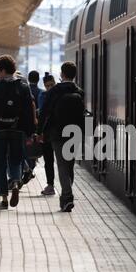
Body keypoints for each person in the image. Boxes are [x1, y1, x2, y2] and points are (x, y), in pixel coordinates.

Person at [0, 55, 35, 210]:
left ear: (2, 70)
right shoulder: (23, 86)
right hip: (18, 128)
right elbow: (29, 110)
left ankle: (3, 199)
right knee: (15, 159)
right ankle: (15, 182)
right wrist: (29, 131)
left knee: (1, 163)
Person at [39, 62, 84, 212]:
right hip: (74, 133)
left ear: (62, 74)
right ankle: (67, 195)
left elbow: (44, 112)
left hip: (57, 133)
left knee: (62, 165)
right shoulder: (79, 91)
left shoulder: (54, 91)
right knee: (69, 164)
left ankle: (67, 196)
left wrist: (39, 131)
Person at [37, 72, 56, 196]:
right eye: (47, 86)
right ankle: (50, 184)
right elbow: (41, 115)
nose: (49, 88)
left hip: (55, 130)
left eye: (51, 85)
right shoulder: (42, 95)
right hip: (46, 132)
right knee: (48, 160)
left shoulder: (57, 95)